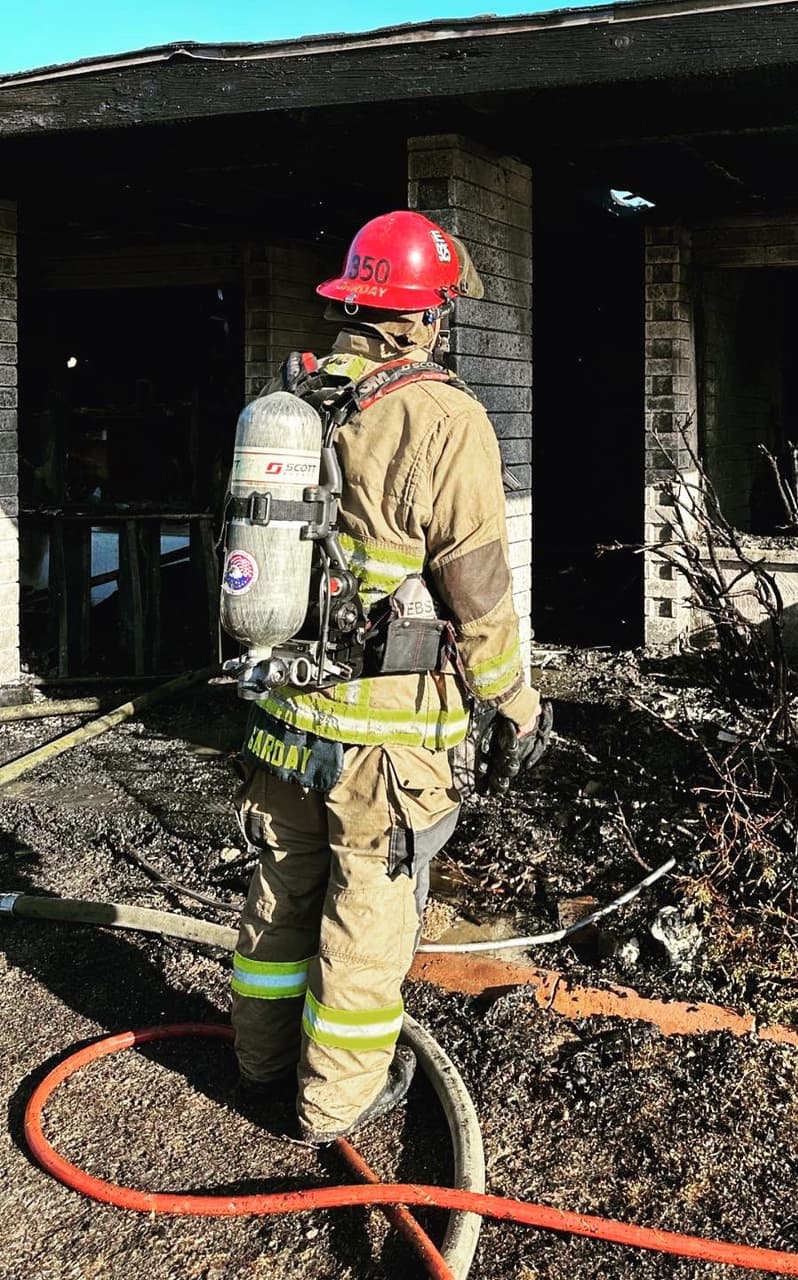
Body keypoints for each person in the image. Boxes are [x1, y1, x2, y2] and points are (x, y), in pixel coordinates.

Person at [228, 210, 540, 1145]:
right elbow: (476, 590)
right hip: (387, 742)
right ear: (426, 314)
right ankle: (332, 1104)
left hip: (288, 711)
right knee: (366, 916)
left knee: (281, 894)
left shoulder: (294, 398)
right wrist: (515, 704)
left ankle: (256, 1060)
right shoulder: (443, 415)